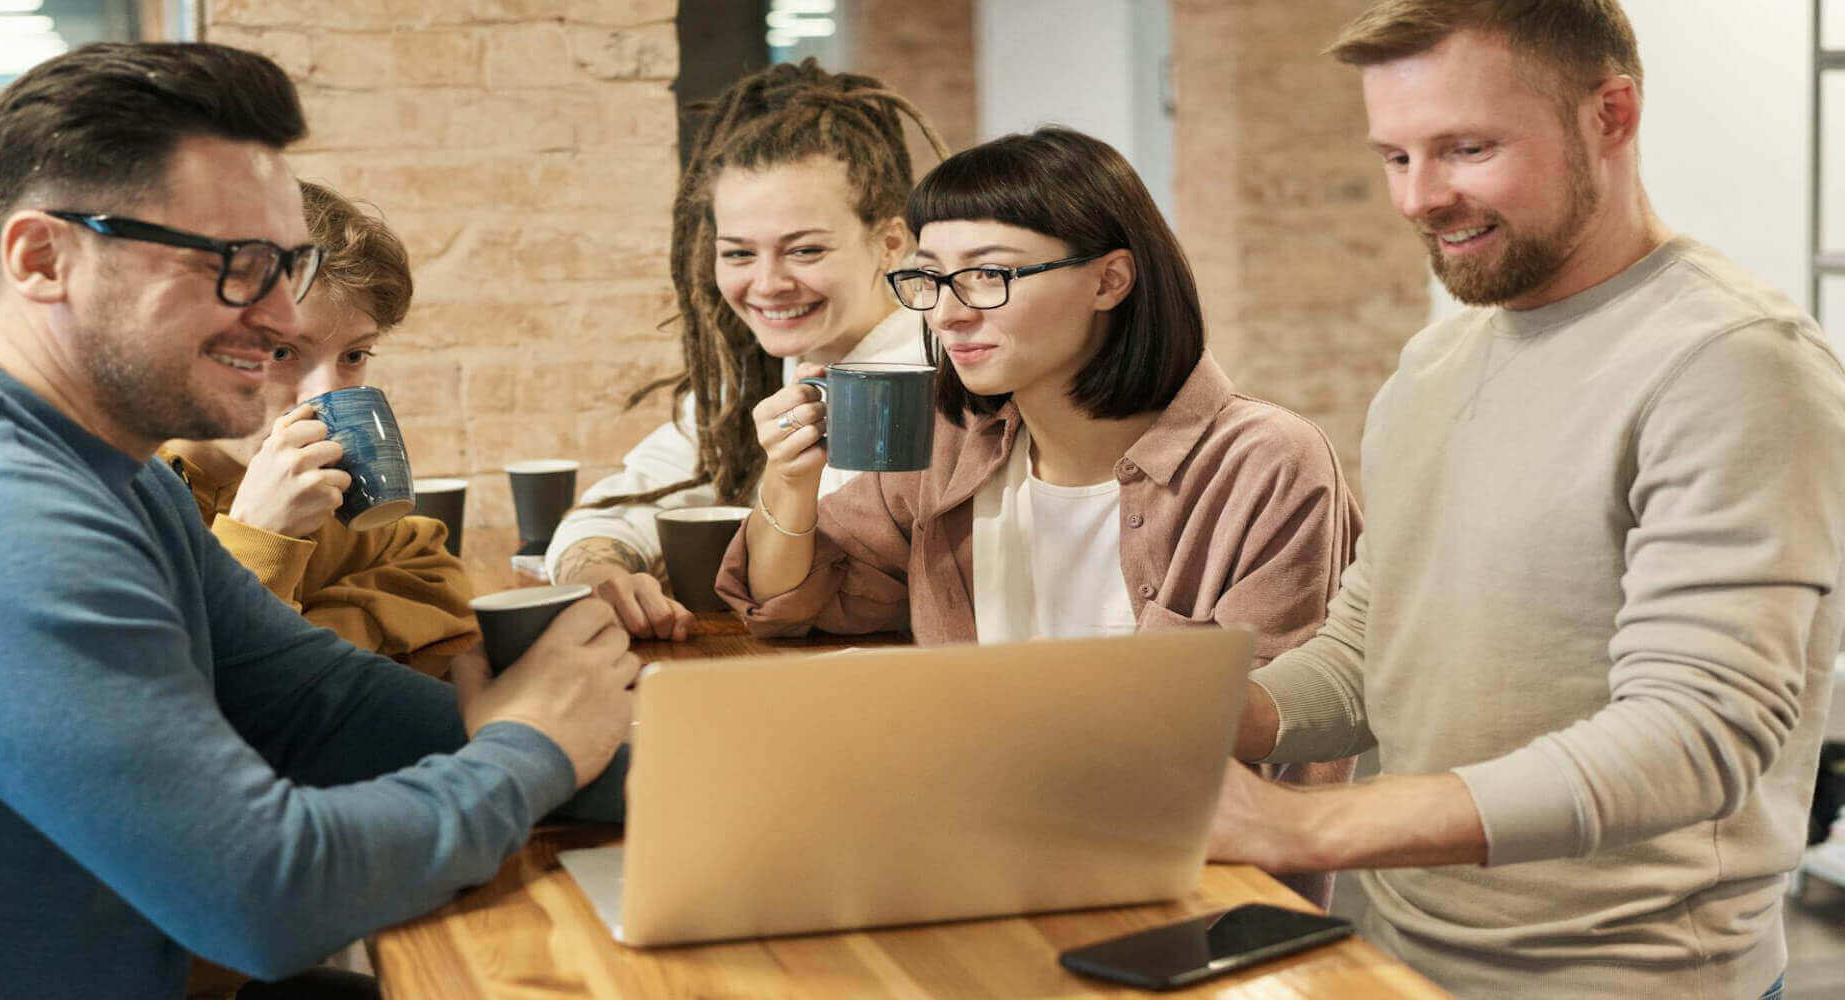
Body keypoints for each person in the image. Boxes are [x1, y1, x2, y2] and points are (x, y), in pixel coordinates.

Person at [0, 43, 636, 999]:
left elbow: (319, 705)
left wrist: (659, 767)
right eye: (235, 265)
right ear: (43, 258)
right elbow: (268, 892)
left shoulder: (116, 470)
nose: (275, 313)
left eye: (285, 262)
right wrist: (534, 748)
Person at [1205, 3, 1845, 998]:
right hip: (1396, 955)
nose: (1419, 196)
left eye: (1464, 148)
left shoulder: (1731, 364)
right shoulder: (1433, 363)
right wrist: (1195, 716)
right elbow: (1377, 653)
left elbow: (1695, 733)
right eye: (1393, 157)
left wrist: (1303, 824)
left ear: (1611, 115)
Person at [716, 126, 1362, 905]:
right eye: (929, 279)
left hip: (1188, 894)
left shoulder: (1263, 462)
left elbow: (1258, 737)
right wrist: (789, 485)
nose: (949, 315)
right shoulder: (955, 441)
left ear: (1110, 280)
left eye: (991, 275)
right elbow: (796, 609)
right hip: (964, 857)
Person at [545, 59, 945, 640]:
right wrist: (602, 571)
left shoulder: (957, 367)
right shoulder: (760, 376)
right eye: (737, 253)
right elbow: (615, 508)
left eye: (804, 251)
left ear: (889, 242)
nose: (766, 284)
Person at [160, 180, 476, 678]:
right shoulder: (127, 494)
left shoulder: (327, 493)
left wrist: (319, 636)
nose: (322, 394)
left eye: (354, 355)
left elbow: (437, 577)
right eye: (281, 352)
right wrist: (259, 537)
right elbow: (181, 687)